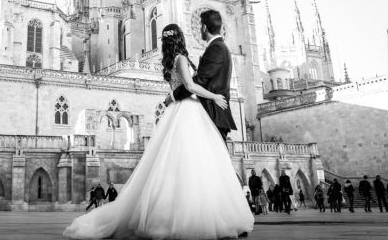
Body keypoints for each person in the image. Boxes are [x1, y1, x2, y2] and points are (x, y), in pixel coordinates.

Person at [63, 22, 254, 239]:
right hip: (188, 110)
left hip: (178, 111)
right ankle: (199, 215)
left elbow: (182, 86)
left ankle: (182, 214)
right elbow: (190, 87)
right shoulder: (181, 59)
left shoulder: (172, 61)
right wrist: (214, 96)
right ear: (180, 38)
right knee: (198, 162)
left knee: (177, 165)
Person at [169, 11, 238, 142]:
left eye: (200, 25)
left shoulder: (216, 48)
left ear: (204, 27)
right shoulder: (219, 47)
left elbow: (198, 82)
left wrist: (173, 96)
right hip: (213, 112)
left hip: (213, 113)